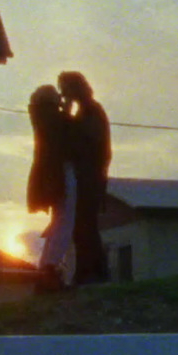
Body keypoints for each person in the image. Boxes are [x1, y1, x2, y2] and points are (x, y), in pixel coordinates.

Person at [58, 71, 111, 285]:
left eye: (65, 89)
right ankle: (88, 272)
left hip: (90, 177)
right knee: (82, 226)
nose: (63, 93)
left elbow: (83, 142)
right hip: (87, 176)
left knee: (85, 225)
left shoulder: (91, 111)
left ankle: (92, 274)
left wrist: (66, 115)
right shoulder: (86, 111)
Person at [26, 84, 75, 290]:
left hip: (51, 174)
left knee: (60, 221)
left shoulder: (42, 117)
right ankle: (50, 267)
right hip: (58, 173)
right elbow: (69, 129)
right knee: (65, 220)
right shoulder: (51, 119)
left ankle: (46, 267)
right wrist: (68, 106)